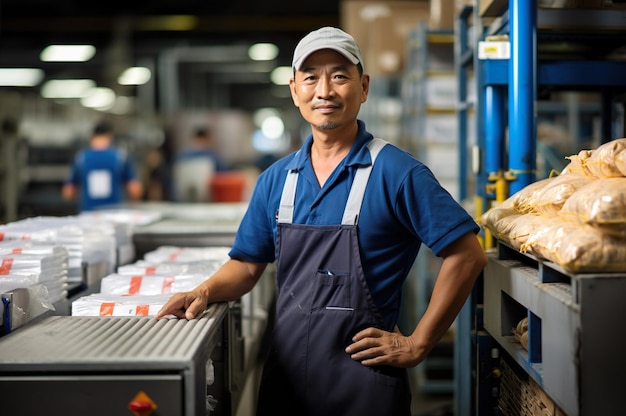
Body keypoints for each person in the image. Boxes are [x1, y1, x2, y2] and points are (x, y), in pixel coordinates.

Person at [156, 26, 488, 415]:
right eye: (311, 77)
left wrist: (418, 343)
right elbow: (248, 265)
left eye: (340, 75)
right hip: (286, 382)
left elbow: (467, 255)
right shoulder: (276, 180)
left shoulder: (398, 173)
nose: (325, 90)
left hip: (364, 387)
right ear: (295, 89)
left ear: (363, 87)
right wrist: (205, 291)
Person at [62, 120, 143, 211]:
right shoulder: (121, 157)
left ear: (92, 136)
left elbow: (68, 193)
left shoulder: (80, 158)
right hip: (114, 215)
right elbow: (135, 191)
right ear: (110, 136)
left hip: (88, 216)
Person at [173, 126, 226, 202]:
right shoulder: (183, 157)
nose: (201, 143)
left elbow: (222, 178)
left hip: (208, 199)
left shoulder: (214, 157)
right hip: (185, 198)